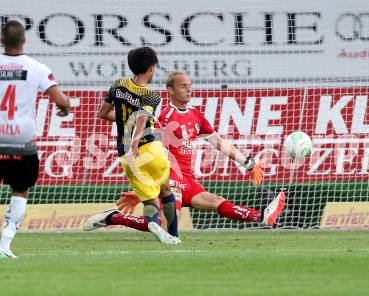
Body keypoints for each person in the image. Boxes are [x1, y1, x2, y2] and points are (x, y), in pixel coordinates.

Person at [100, 70, 286, 231]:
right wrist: (149, 188)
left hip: (188, 181)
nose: (189, 89)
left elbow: (219, 142)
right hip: (171, 181)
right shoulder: (164, 118)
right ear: (171, 91)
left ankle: (260, 216)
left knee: (215, 201)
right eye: (183, 86)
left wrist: (248, 162)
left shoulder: (196, 115)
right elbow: (152, 153)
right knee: (164, 226)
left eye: (190, 85)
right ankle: (114, 217)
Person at [83, 46, 180, 244]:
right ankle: (174, 235)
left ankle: (152, 221)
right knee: (166, 190)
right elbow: (142, 119)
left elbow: (103, 113)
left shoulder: (118, 85)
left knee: (149, 201)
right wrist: (135, 142)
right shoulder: (151, 95)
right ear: (151, 68)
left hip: (125, 154)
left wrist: (125, 128)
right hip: (148, 147)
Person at [0, 20, 71, 259]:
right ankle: (5, 245)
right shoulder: (36, 68)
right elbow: (61, 101)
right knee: (19, 191)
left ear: (1, 40)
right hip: (22, 141)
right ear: (24, 40)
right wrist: (64, 109)